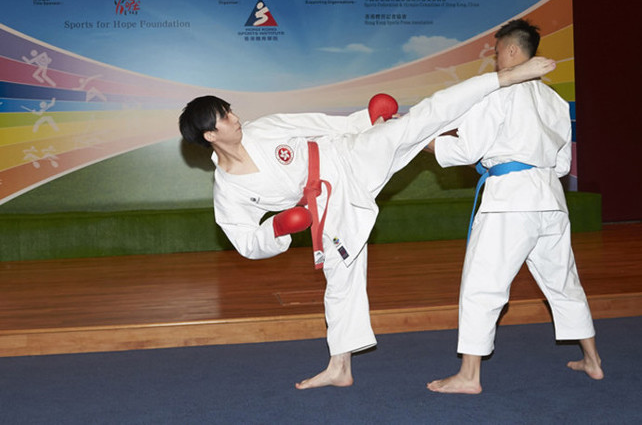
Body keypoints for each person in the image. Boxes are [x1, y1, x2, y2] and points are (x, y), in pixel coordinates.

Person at [179, 55, 556, 390]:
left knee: (418, 121)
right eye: (225, 117)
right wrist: (276, 230)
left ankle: (503, 79)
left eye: (230, 109)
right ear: (211, 135)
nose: (235, 117)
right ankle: (339, 367)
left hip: (347, 157)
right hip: (325, 207)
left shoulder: (263, 130)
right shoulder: (228, 190)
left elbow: (318, 123)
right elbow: (245, 241)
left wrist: (368, 121)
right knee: (340, 281)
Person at [426, 19, 603, 395]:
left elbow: (467, 150)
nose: (494, 61)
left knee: (482, 285)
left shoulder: (495, 93)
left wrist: (422, 141)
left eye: (495, 52)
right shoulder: (555, 101)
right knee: (564, 282)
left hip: (509, 200)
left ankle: (469, 376)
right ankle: (592, 359)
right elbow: (562, 166)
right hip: (551, 202)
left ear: (510, 51)